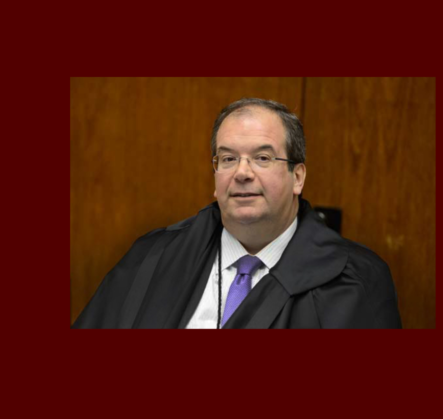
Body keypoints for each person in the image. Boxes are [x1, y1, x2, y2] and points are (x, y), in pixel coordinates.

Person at [72, 98, 402, 329]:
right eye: (228, 159)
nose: (242, 173)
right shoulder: (153, 256)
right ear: (215, 178)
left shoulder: (356, 279)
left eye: (262, 158)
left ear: (298, 178)